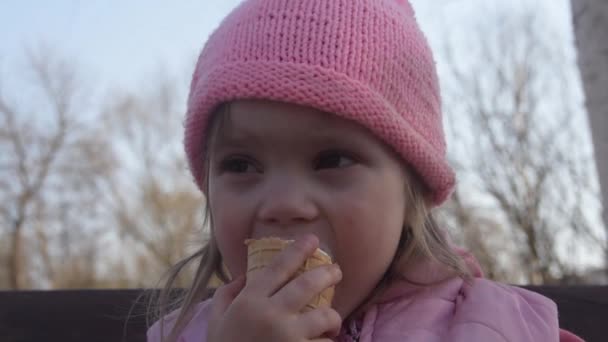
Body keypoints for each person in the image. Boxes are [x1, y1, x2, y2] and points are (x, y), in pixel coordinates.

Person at [146, 0, 583, 341]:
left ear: (413, 186)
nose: (282, 203)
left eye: (332, 160)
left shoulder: (493, 327)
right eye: (240, 165)